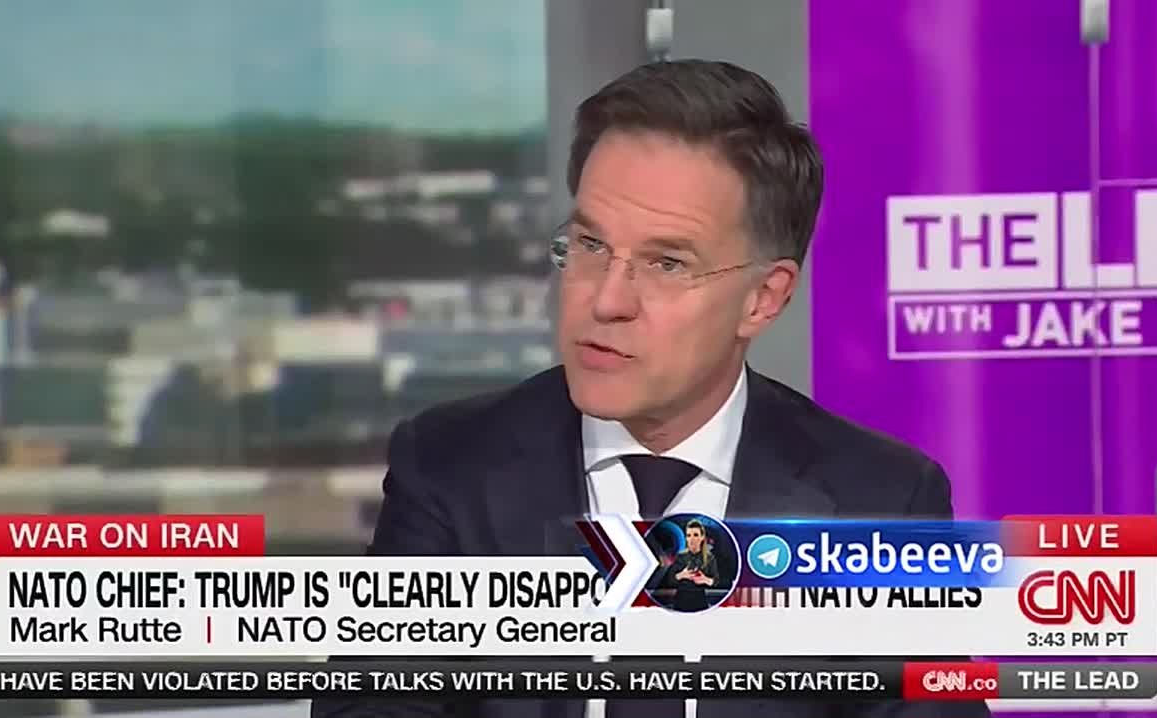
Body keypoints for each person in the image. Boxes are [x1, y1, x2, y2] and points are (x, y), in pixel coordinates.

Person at [311, 59, 989, 718]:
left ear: (763, 297)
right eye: (590, 246)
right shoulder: (449, 468)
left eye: (666, 263)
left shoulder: (881, 501)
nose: (605, 300)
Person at [662, 519, 718, 612]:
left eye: (695, 535)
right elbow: (670, 580)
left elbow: (716, 581)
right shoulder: (680, 556)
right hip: (681, 602)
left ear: (702, 537)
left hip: (700, 602)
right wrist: (681, 575)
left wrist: (705, 580)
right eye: (689, 535)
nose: (692, 538)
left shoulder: (709, 558)